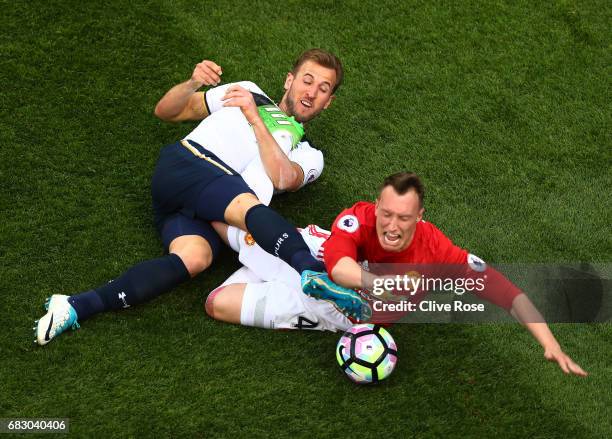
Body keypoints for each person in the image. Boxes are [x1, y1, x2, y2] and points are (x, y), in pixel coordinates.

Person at [34, 49, 344, 345]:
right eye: (307, 80)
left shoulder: (309, 154)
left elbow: (283, 177)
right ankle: (312, 273)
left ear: (329, 102)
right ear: (289, 80)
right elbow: (168, 111)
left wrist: (255, 119)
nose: (311, 91)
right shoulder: (248, 92)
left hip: (210, 209)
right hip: (191, 164)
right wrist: (193, 83)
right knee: (247, 207)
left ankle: (76, 305)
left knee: (194, 259)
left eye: (323, 89)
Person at [208, 173, 587, 376]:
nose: (391, 225)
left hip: (336, 313)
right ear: (377, 206)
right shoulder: (358, 216)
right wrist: (383, 284)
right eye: (386, 214)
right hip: (314, 261)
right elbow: (338, 268)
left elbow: (506, 292)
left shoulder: (438, 251)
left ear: (419, 217)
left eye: (403, 217)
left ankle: (258, 268)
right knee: (221, 224)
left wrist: (549, 342)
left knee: (217, 303)